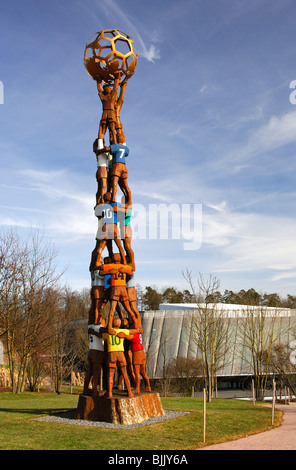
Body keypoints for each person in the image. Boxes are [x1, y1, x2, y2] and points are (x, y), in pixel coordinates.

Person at [99, 253, 142, 329]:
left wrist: (109, 271)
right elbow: (132, 272)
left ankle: (109, 326)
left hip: (115, 290)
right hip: (123, 290)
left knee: (112, 310)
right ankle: (136, 324)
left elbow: (100, 270)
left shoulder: (111, 266)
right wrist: (125, 270)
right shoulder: (124, 266)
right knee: (128, 309)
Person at [102, 316, 140, 398]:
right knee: (125, 374)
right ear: (120, 324)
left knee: (111, 374)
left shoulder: (109, 332)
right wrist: (138, 330)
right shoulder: (123, 331)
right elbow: (131, 331)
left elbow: (102, 336)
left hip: (111, 353)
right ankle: (129, 392)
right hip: (121, 354)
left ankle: (109, 392)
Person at [90, 192, 126, 271]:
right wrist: (118, 209)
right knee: (119, 245)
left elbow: (96, 212)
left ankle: (96, 262)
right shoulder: (114, 204)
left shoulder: (102, 206)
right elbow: (125, 210)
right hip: (113, 226)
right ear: (111, 197)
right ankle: (124, 262)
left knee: (102, 246)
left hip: (105, 226)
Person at [99, 133, 131, 203]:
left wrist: (100, 150)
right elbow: (126, 154)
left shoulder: (116, 146)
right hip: (124, 166)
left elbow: (107, 149)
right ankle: (129, 200)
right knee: (125, 185)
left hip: (117, 166)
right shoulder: (126, 149)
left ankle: (113, 198)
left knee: (114, 184)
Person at [83, 317, 107, 397]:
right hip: (97, 351)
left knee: (90, 372)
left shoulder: (90, 327)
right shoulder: (98, 328)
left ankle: (85, 388)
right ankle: (94, 390)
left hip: (91, 350)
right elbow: (103, 333)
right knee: (96, 373)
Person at [96, 72, 120, 144]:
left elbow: (115, 88)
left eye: (108, 89)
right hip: (105, 112)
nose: (107, 90)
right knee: (103, 127)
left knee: (112, 128)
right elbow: (99, 90)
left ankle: (115, 142)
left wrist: (116, 79)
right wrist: (98, 81)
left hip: (111, 112)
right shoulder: (103, 97)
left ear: (110, 90)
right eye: (105, 89)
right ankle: (100, 143)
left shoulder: (112, 96)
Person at [93, 138, 112, 204]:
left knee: (101, 187)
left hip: (105, 169)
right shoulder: (99, 150)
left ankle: (99, 201)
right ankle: (101, 201)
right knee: (103, 186)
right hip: (102, 169)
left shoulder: (104, 150)